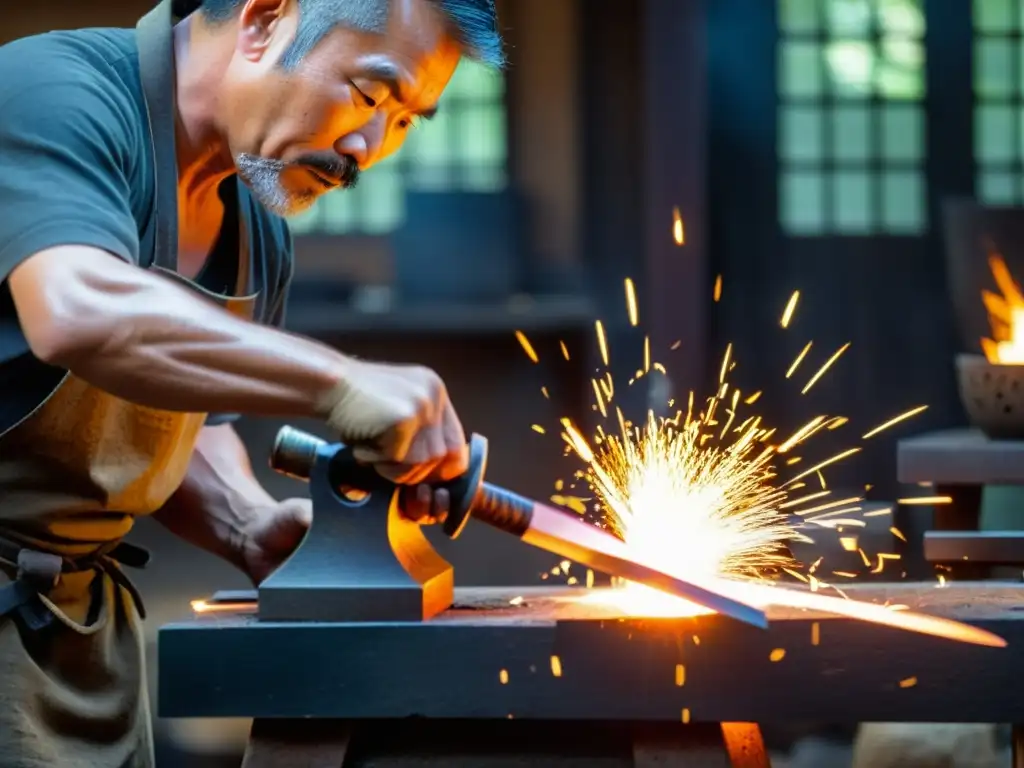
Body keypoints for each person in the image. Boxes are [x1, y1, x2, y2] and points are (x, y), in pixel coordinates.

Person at [0, 0, 504, 765]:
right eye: (371, 96)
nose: (369, 147)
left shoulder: (256, 226)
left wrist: (246, 523)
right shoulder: (52, 92)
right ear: (265, 20)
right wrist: (340, 382)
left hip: (82, 642)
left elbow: (177, 421)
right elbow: (77, 309)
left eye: (407, 123)